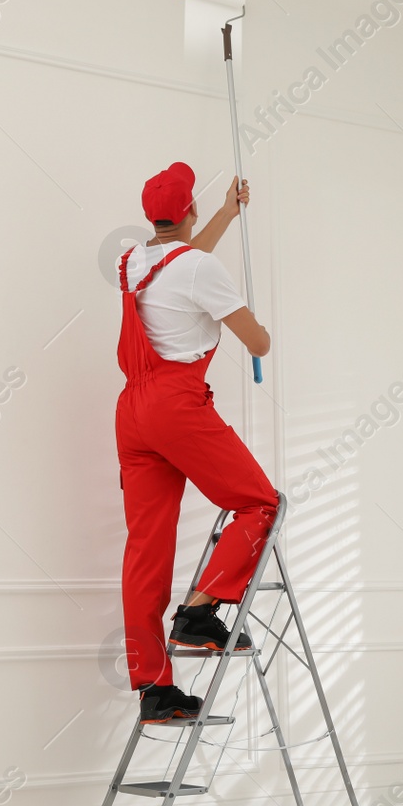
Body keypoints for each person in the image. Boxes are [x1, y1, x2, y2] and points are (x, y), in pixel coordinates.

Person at [115, 162, 275, 725]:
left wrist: (229, 214)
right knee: (261, 503)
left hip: (132, 413)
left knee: (144, 553)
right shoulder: (200, 269)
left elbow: (183, 260)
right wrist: (260, 329)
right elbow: (258, 342)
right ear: (189, 210)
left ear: (151, 216)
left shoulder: (134, 261)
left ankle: (155, 692)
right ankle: (201, 611)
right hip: (177, 407)